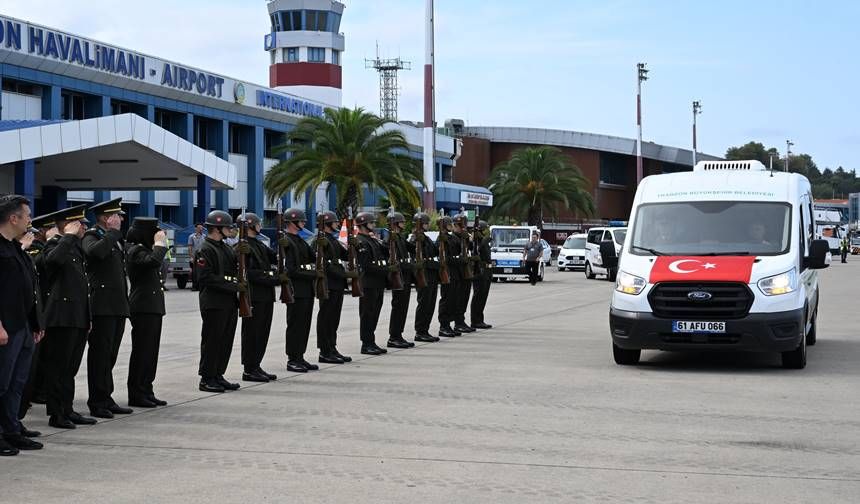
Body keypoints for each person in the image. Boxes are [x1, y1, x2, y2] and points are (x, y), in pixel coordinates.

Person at [40, 205, 97, 430]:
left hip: (77, 317)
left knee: (70, 369)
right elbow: (51, 263)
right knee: (58, 368)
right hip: (61, 317)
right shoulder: (56, 245)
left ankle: (67, 408)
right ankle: (56, 413)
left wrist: (87, 316)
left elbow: (82, 287)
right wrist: (67, 236)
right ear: (68, 225)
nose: (84, 227)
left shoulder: (75, 249)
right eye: (79, 223)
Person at [0, 195, 44, 455]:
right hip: (7, 327)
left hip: (23, 326)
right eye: (27, 215)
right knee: (2, 383)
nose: (30, 219)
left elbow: (29, 288)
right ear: (13, 218)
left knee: (17, 383)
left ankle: (12, 429)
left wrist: (36, 323)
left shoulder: (16, 247)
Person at [83, 198, 133, 419]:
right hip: (101, 305)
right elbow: (96, 253)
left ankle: (106, 396)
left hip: (116, 305)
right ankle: (97, 400)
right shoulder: (92, 236)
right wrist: (112, 233)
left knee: (110, 354)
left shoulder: (115, 239)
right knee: (100, 355)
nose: (121, 219)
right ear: (105, 217)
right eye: (117, 215)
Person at [17, 212, 57, 429]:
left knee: (25, 375)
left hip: (34, 316)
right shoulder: (25, 251)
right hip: (16, 321)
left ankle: (15, 420)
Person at [197, 210, 243, 393]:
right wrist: (233, 286)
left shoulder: (224, 247)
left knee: (225, 341)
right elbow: (206, 278)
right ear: (216, 228)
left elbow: (235, 269)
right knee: (212, 341)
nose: (230, 230)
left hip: (229, 302)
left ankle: (218, 374)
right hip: (214, 303)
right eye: (227, 227)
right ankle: (206, 378)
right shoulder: (205, 249)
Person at [125, 218, 169, 407]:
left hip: (152, 307)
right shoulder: (136, 250)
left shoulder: (146, 250)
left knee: (151, 352)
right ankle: (137, 393)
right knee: (142, 352)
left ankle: (146, 388)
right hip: (142, 307)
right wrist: (160, 244)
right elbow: (152, 262)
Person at [238, 212, 281, 382]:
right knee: (252, 334)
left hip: (266, 296)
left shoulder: (258, 244)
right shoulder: (243, 247)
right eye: (258, 223)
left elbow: (275, 258)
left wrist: (282, 242)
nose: (260, 225)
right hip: (254, 296)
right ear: (251, 226)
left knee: (262, 333)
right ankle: (249, 368)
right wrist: (272, 277)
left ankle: (256, 365)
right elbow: (249, 273)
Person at [280, 208, 320, 373]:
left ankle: (300, 356)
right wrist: (313, 274)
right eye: (301, 221)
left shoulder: (300, 240)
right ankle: (292, 359)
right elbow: (292, 270)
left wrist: (321, 242)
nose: (304, 223)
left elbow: (314, 257)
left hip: (307, 290)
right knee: (295, 325)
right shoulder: (287, 241)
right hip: (296, 289)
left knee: (304, 325)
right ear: (292, 222)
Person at [316, 211, 353, 364]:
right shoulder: (320, 240)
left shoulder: (332, 240)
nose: (337, 224)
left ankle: (332, 347)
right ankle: (324, 351)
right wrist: (345, 275)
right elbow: (325, 265)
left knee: (334, 319)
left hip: (337, 285)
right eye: (335, 222)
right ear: (327, 224)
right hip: (328, 284)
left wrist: (354, 244)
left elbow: (345, 255)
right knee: (326, 318)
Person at [355, 212, 389, 355]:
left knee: (375, 313)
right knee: (367, 314)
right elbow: (366, 265)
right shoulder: (360, 241)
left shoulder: (372, 239)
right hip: (368, 282)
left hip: (377, 282)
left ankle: (371, 341)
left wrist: (386, 241)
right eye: (371, 223)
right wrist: (385, 270)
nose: (374, 225)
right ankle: (366, 343)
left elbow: (385, 253)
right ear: (363, 225)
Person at [385, 211, 416, 349]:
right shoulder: (390, 239)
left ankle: (399, 335)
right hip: (398, 276)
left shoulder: (401, 237)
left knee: (403, 308)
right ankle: (394, 336)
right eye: (402, 222)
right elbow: (389, 256)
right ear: (396, 223)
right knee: (398, 307)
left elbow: (413, 248)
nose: (404, 224)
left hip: (405, 276)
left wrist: (417, 237)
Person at [410, 212, 440, 343]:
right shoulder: (414, 238)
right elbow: (415, 255)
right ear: (420, 224)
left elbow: (434, 251)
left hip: (431, 274)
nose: (428, 225)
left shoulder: (425, 238)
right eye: (426, 223)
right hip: (423, 274)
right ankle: (420, 331)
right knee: (424, 303)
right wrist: (418, 242)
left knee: (430, 303)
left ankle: (425, 330)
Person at [436, 215, 463, 338]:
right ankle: (443, 326)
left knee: (454, 300)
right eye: (449, 224)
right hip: (447, 272)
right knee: (446, 300)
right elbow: (444, 257)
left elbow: (459, 248)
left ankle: (449, 325)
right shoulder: (440, 239)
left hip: (455, 272)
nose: (451, 226)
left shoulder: (451, 237)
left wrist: (464, 236)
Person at [452, 213, 475, 334]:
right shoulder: (453, 238)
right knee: (459, 298)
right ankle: (458, 322)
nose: (462, 228)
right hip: (458, 273)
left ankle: (461, 320)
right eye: (460, 226)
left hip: (466, 272)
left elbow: (470, 248)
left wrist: (468, 239)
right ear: (454, 226)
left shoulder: (464, 236)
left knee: (465, 297)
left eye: (464, 226)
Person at [470, 220, 494, 329]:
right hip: (479, 272)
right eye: (485, 229)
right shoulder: (476, 242)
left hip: (487, 272)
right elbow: (476, 252)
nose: (488, 231)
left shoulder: (483, 241)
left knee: (483, 297)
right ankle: (475, 320)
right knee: (478, 297)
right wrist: (483, 240)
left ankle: (480, 319)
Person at [188, 223, 205, 291]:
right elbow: (190, 247)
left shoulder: (204, 236)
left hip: (202, 257)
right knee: (194, 273)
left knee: (201, 272)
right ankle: (194, 286)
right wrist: (191, 257)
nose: (201, 229)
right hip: (194, 257)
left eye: (201, 228)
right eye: (199, 228)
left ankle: (200, 286)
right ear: (196, 228)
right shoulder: (191, 237)